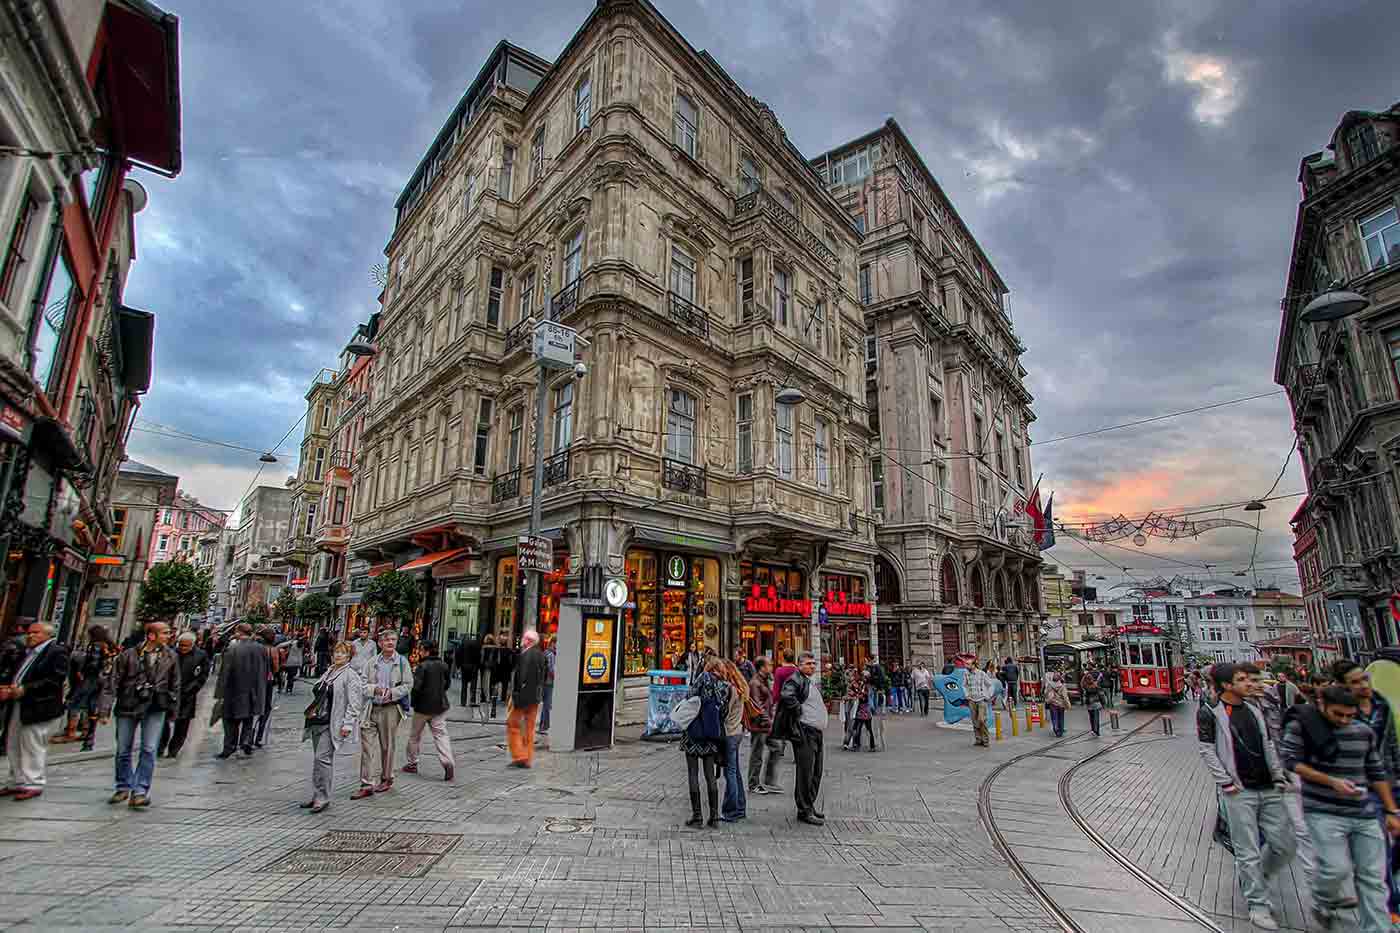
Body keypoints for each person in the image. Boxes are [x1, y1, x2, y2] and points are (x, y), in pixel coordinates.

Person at [1283, 684, 1400, 931]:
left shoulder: (1363, 732)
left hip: (1363, 812)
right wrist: (1331, 781)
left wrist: (1391, 811)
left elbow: (1376, 772)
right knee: (1336, 869)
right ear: (1322, 705)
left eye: (1350, 715)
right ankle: (1322, 899)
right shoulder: (1302, 727)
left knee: (1373, 879)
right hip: (1323, 810)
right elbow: (1291, 762)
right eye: (1338, 714)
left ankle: (1376, 928)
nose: (1345, 720)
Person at [1198, 662, 1297, 931]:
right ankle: (1258, 904)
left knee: (1285, 844)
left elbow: (1266, 743)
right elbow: (1207, 749)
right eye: (1242, 679)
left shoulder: (1253, 709)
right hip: (1239, 791)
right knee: (1247, 850)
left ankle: (1257, 879)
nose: (1249, 683)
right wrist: (1226, 783)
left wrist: (1278, 774)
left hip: (1269, 786)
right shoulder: (1211, 713)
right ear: (1227, 685)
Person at [1333, 660, 1400, 919]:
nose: (1364, 685)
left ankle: (1387, 890)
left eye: (1365, 679)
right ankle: (1388, 906)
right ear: (1343, 687)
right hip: (1362, 789)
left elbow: (1391, 743)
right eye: (1356, 682)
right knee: (1378, 846)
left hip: (1389, 781)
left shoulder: (1381, 703)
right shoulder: (1339, 713)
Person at [100, 621, 179, 808]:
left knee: (149, 749)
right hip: (128, 705)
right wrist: (104, 710)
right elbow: (112, 684)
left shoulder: (171, 656)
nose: (169, 636)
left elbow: (175, 685)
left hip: (155, 706)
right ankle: (123, 786)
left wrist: (173, 710)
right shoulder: (128, 655)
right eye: (165, 633)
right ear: (151, 635)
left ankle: (140, 791)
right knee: (123, 749)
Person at [0, 622, 68, 801]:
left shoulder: (56, 652)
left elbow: (54, 680)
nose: (30, 636)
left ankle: (33, 782)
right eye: (29, 633)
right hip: (19, 703)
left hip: (38, 705)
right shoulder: (27, 651)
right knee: (13, 742)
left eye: (35, 633)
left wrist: (25, 689)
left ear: (47, 635)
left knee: (32, 743)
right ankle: (16, 780)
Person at [301, 641, 364, 813]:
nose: (338, 655)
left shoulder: (351, 676)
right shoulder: (329, 671)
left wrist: (348, 724)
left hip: (332, 723)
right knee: (318, 760)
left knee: (323, 759)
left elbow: (355, 703)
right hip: (318, 721)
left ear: (349, 656)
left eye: (343, 653)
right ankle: (317, 795)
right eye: (336, 652)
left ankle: (323, 797)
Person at [352, 628, 411, 798]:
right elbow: (362, 685)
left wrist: (392, 692)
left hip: (391, 709)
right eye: (387, 640)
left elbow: (408, 684)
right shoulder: (371, 663)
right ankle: (367, 783)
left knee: (388, 746)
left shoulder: (402, 662)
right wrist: (374, 689)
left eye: (393, 639)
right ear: (380, 643)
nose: (390, 643)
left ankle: (386, 778)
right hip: (371, 707)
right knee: (367, 746)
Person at [779, 652, 827, 826]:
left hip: (816, 733)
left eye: (814, 663)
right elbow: (786, 695)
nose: (812, 666)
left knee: (816, 771)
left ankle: (809, 805)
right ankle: (804, 809)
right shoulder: (795, 679)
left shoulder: (807, 680)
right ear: (799, 665)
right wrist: (799, 710)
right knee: (805, 773)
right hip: (805, 732)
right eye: (808, 664)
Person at [681, 658, 729, 827]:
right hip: (711, 735)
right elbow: (724, 712)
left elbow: (689, 697)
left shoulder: (703, 677)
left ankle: (697, 816)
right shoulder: (725, 686)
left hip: (694, 733)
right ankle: (715, 817)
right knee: (710, 776)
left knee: (693, 774)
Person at [403, 643, 454, 781]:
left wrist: (412, 703)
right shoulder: (444, 665)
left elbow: (416, 687)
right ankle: (447, 761)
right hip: (439, 706)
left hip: (423, 707)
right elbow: (447, 684)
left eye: (421, 649)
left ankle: (412, 763)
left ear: (426, 651)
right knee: (441, 735)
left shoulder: (422, 666)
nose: (419, 652)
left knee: (415, 736)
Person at [215, 623, 267, 758]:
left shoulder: (233, 648)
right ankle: (245, 742)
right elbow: (265, 669)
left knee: (230, 720)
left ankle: (229, 746)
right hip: (254, 691)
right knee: (248, 719)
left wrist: (219, 693)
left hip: (234, 690)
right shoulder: (261, 648)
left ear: (238, 632)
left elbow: (224, 672)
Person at [158, 633, 208, 759]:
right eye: (181, 645)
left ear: (193, 645)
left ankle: (173, 750)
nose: (183, 648)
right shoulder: (171, 653)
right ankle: (160, 746)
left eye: (186, 646)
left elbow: (203, 675)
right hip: (169, 693)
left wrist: (193, 688)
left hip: (187, 694)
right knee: (163, 722)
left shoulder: (200, 655)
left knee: (182, 724)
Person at [506, 630, 547, 768]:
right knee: (529, 728)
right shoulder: (541, 655)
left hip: (523, 697)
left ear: (528, 640)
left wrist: (516, 696)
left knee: (513, 724)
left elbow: (522, 677)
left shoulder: (526, 655)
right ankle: (528, 757)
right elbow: (543, 677)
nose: (522, 639)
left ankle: (519, 756)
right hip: (535, 697)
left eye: (524, 637)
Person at [716, 660, 748, 822]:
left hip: (729, 733)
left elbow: (723, 713)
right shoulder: (741, 688)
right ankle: (740, 807)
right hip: (737, 732)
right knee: (735, 772)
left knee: (730, 773)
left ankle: (731, 810)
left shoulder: (729, 689)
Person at [746, 657, 781, 795]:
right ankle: (753, 783)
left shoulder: (765, 680)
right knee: (757, 754)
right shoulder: (755, 683)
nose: (771, 666)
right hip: (760, 725)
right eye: (769, 665)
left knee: (776, 747)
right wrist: (768, 721)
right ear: (762, 667)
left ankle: (768, 780)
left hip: (766, 724)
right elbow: (757, 706)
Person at [253, 627, 282, 748]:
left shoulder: (255, 648)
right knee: (265, 707)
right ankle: (259, 737)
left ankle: (248, 735)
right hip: (267, 680)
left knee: (253, 707)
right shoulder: (273, 650)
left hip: (254, 680)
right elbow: (276, 667)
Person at [966, 660, 997, 748]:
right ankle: (978, 739)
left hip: (981, 700)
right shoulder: (966, 674)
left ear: (973, 665)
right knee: (974, 720)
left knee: (981, 720)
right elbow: (964, 685)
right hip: (972, 700)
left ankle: (986, 739)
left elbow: (990, 685)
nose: (966, 665)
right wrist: (966, 694)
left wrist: (987, 695)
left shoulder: (982, 674)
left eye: (968, 664)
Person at [492, 635, 517, 719]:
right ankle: (503, 700)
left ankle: (495, 699)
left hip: (498, 671)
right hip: (506, 672)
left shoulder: (497, 650)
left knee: (496, 685)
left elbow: (494, 661)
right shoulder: (510, 651)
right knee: (505, 686)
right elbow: (513, 663)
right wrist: (511, 669)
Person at [841, 668, 866, 749]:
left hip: (855, 706)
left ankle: (850, 742)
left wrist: (854, 696)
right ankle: (852, 742)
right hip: (849, 706)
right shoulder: (848, 685)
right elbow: (844, 696)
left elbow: (861, 695)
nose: (849, 678)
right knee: (849, 725)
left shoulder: (857, 684)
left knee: (852, 725)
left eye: (851, 675)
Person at [455, 633, 481, 707]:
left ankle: (463, 702)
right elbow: (479, 656)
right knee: (473, 685)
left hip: (464, 667)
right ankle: (472, 701)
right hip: (474, 667)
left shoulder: (462, 644)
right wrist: (478, 666)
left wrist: (458, 666)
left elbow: (458, 654)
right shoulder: (477, 645)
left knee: (464, 685)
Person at [539, 637, 556, 735]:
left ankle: (543, 725)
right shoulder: (551, 654)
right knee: (547, 704)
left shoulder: (545, 652)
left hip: (544, 681)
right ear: (553, 643)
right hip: (549, 682)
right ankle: (544, 726)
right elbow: (551, 669)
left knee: (546, 704)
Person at [1045, 671, 1070, 737]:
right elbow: (1065, 696)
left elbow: (1046, 693)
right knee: (1061, 717)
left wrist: (1047, 700)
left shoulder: (1049, 685)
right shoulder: (1062, 686)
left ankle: (1056, 729)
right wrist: (1068, 704)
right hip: (1061, 704)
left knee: (1054, 717)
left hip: (1053, 704)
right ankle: (1060, 731)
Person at [1080, 668, 1104, 736]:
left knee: (1091, 717)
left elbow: (1081, 684)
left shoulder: (1086, 686)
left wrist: (1084, 676)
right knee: (1096, 718)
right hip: (1096, 703)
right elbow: (1101, 694)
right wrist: (1103, 703)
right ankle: (1097, 730)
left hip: (1089, 704)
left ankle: (1093, 729)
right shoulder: (1096, 686)